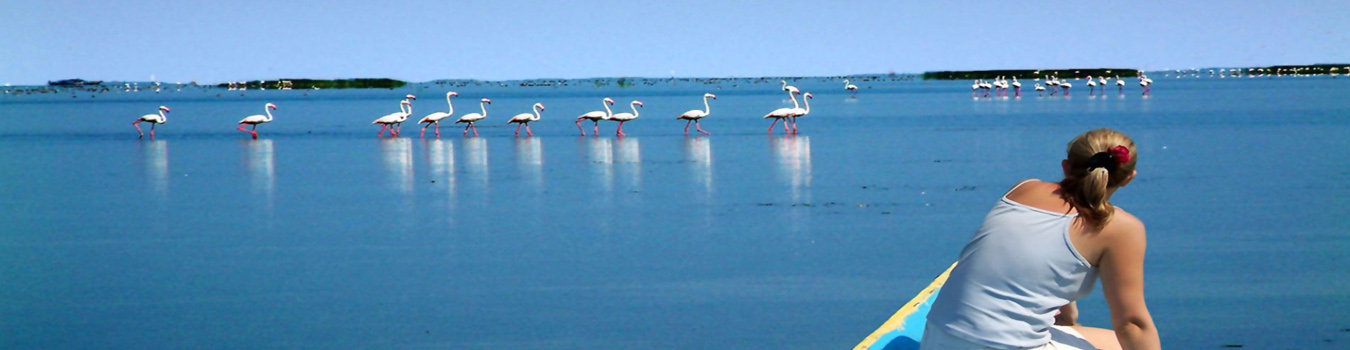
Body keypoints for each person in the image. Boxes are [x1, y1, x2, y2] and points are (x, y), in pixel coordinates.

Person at [921, 128, 1160, 350]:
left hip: (937, 339)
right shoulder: (1121, 227)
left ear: (1066, 166)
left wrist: (1067, 314)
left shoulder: (1023, 189)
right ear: (1129, 177)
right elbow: (1132, 325)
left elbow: (1040, 254)